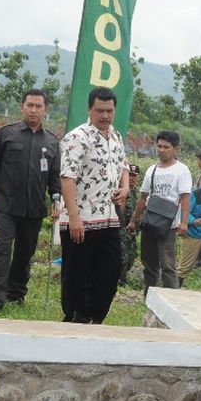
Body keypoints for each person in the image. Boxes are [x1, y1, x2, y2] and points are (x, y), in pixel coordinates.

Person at [0, 89, 61, 312]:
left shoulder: (51, 141)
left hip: (34, 209)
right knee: (0, 251)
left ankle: (16, 294)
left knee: (24, 255)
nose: (33, 110)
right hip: (4, 206)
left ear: (45, 110)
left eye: (38, 106)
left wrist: (56, 199)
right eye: (29, 105)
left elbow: (54, 175)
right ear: (22, 107)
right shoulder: (6, 134)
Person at [58, 86, 129, 324]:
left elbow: (124, 165)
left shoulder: (116, 136)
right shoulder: (77, 137)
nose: (105, 116)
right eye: (100, 110)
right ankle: (75, 317)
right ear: (89, 109)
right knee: (77, 272)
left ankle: (96, 317)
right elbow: (67, 177)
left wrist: (125, 187)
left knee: (111, 268)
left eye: (109, 111)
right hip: (81, 217)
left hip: (108, 216)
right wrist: (74, 217)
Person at [129, 131, 191, 294]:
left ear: (176, 149)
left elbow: (185, 198)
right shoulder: (151, 170)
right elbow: (143, 197)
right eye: (159, 146)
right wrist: (133, 220)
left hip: (168, 225)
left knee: (168, 265)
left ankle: (173, 300)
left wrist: (184, 222)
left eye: (166, 147)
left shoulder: (182, 170)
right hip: (150, 222)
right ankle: (149, 299)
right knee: (149, 265)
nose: (162, 150)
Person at [118, 162, 141, 285]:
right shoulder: (121, 191)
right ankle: (120, 280)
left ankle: (123, 277)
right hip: (121, 228)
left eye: (134, 176)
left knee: (132, 256)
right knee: (123, 256)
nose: (131, 178)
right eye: (129, 175)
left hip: (132, 230)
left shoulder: (138, 193)